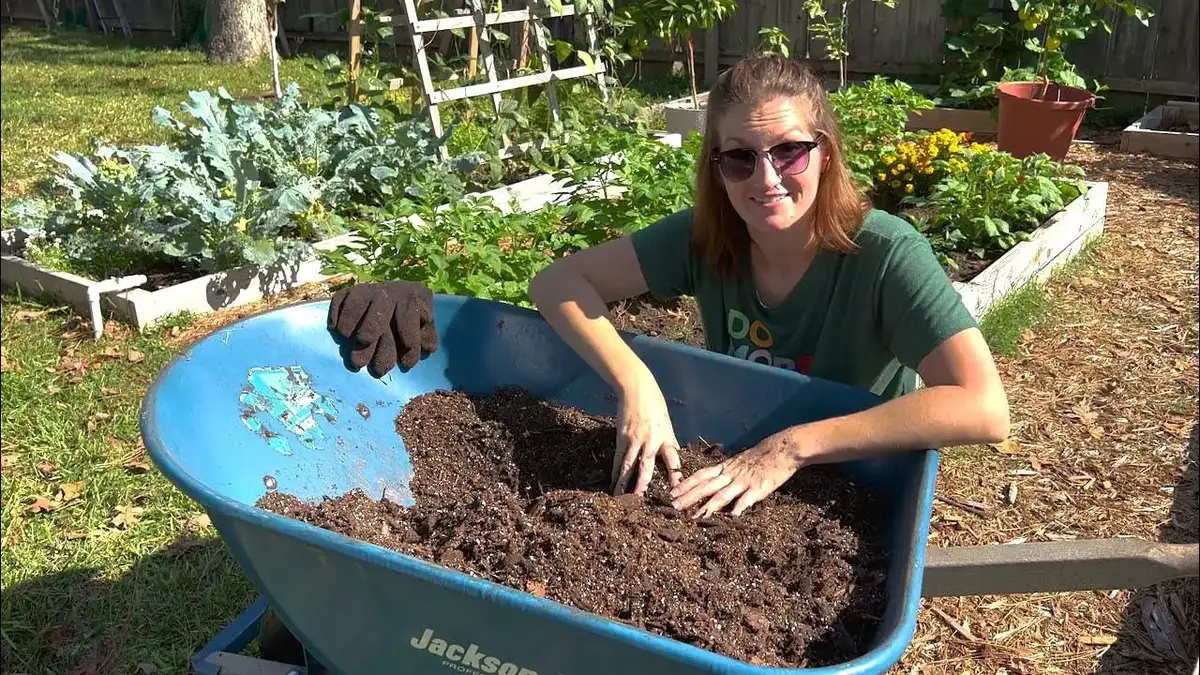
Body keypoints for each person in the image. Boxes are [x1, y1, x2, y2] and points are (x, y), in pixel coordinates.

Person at [329, 54, 1010, 521]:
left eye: (789, 151)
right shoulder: (710, 239)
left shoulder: (885, 253)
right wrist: (637, 381)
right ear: (716, 168)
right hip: (723, 460)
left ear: (824, 152)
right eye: (739, 158)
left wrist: (792, 446)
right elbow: (559, 281)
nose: (766, 179)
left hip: (850, 475)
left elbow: (983, 408)